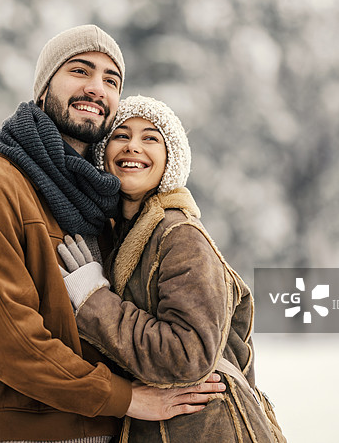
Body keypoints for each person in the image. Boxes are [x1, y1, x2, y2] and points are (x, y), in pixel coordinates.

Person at [0, 26, 226, 443]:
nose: (96, 88)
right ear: (43, 88)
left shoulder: (107, 206)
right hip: (22, 433)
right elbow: (9, 344)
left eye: (111, 80)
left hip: (107, 431)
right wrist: (125, 398)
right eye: (79, 71)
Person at [57, 95, 288, 442]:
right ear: (103, 154)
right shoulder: (126, 235)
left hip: (211, 429)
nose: (133, 146)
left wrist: (93, 301)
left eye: (150, 137)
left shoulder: (180, 235)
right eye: (121, 135)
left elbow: (187, 354)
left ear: (171, 160)